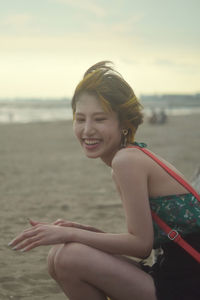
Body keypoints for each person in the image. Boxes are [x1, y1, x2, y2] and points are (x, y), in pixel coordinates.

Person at [8, 61, 200, 300]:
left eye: (99, 119)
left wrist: (70, 235)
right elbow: (141, 241)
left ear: (123, 124)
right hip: (172, 272)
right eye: (80, 119)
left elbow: (140, 245)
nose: (87, 130)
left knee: (69, 256)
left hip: (187, 284)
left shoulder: (126, 161)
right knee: (59, 255)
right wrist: (83, 231)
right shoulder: (130, 156)